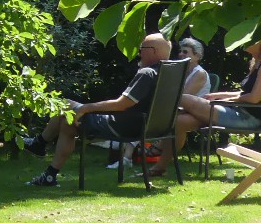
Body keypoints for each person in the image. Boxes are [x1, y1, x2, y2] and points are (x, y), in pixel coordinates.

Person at [23, 33, 172, 186]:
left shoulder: (147, 73)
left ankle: (39, 143)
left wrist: (86, 108)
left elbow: (122, 104)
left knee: (64, 105)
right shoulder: (169, 73)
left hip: (124, 127)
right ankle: (49, 175)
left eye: (142, 48)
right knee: (68, 122)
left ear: (153, 51)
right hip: (150, 127)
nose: (139, 52)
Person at [108, 37, 209, 170]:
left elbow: (182, 97)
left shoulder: (200, 74)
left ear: (197, 56)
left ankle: (130, 154)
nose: (181, 55)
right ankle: (129, 153)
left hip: (193, 112)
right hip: (178, 110)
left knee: (151, 118)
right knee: (147, 115)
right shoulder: (182, 70)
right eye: (181, 51)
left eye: (186, 52)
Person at [166, 36, 261, 174]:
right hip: (238, 112)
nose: (244, 42)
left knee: (185, 99)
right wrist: (220, 95)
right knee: (180, 121)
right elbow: (245, 93)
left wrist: (225, 101)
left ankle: (155, 134)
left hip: (249, 118)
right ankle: (160, 164)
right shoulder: (256, 63)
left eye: (250, 40)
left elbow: (253, 98)